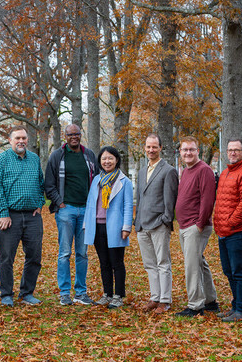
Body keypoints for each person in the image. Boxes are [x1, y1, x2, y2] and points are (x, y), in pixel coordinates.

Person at [0, 126, 45, 306]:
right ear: (10, 140)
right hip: (9, 216)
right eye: (17, 138)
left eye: (24, 138)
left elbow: (40, 183)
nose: (21, 141)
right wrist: (4, 213)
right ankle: (6, 294)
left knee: (34, 256)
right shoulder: (1, 160)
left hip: (32, 217)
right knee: (6, 257)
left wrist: (40, 202)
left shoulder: (34, 159)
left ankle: (27, 293)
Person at [44, 124, 98, 306]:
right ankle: (65, 292)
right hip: (66, 210)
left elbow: (96, 179)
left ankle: (81, 293)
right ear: (65, 136)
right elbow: (49, 184)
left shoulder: (89, 155)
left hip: (85, 211)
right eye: (70, 134)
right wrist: (59, 202)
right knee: (65, 253)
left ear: (80, 135)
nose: (74, 137)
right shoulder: (57, 156)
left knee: (82, 253)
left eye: (77, 134)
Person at [213, 139, 242, 322]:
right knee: (229, 271)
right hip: (224, 231)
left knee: (239, 271)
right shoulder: (226, 173)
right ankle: (235, 306)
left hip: (239, 231)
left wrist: (230, 222)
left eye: (236, 150)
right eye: (230, 150)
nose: (232, 153)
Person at [173, 136, 219, 317]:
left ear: (197, 151)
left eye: (191, 149)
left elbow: (208, 200)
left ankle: (195, 305)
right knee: (199, 262)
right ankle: (210, 300)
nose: (188, 153)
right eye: (184, 150)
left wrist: (200, 224)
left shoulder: (204, 170)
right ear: (180, 152)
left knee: (191, 265)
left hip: (196, 226)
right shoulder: (185, 171)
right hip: (185, 225)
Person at [84, 146, 133, 309]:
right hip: (97, 226)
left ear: (117, 160)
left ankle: (118, 295)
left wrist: (126, 227)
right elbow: (91, 204)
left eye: (110, 158)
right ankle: (107, 293)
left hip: (116, 227)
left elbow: (128, 205)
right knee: (103, 262)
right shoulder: (97, 180)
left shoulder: (124, 181)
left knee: (117, 262)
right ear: (100, 161)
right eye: (104, 159)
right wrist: (86, 224)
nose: (107, 161)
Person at [134, 134, 179, 314]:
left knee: (162, 262)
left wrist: (165, 220)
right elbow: (140, 197)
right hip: (142, 225)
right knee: (149, 264)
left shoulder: (168, 170)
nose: (151, 150)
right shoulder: (142, 171)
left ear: (160, 148)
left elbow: (170, 200)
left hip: (159, 224)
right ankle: (155, 297)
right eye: (148, 147)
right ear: (144, 148)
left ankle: (165, 300)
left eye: (154, 147)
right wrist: (137, 221)